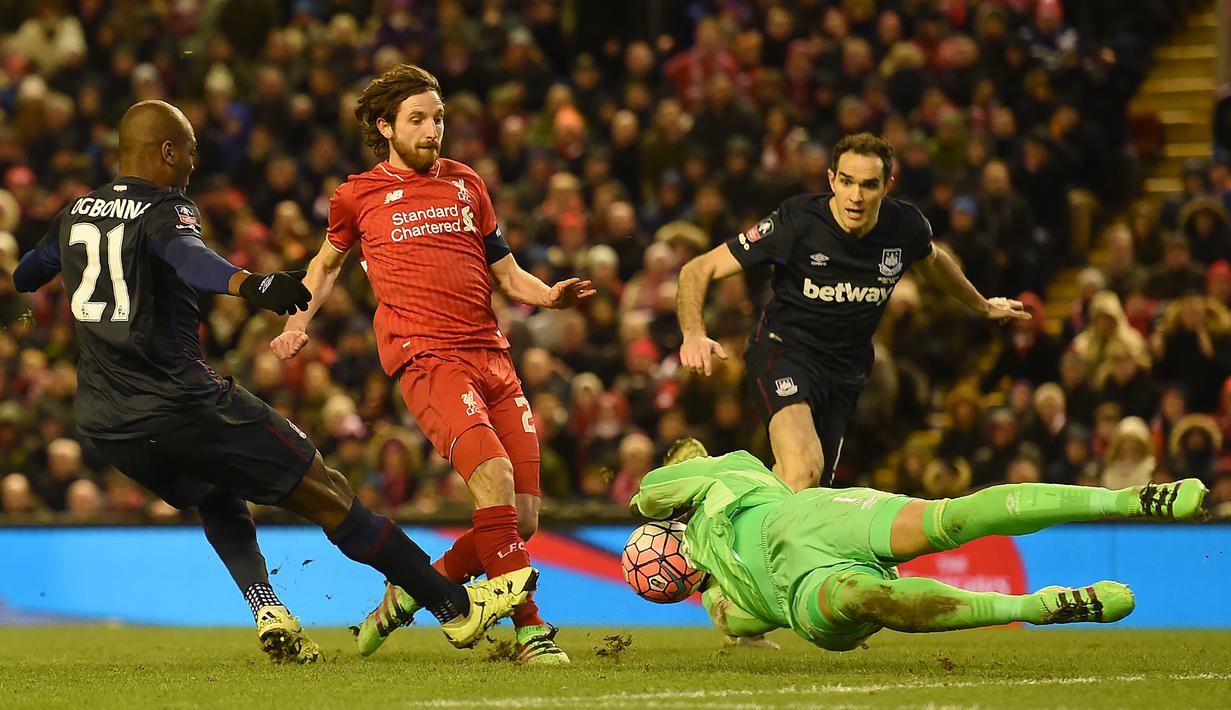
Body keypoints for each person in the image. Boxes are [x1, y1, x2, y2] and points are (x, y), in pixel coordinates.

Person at [12, 99, 535, 663]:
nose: (193, 163)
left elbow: (26, 274)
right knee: (329, 491)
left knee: (216, 491)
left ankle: (267, 607)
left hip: (106, 423)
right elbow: (188, 259)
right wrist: (252, 285)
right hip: (184, 402)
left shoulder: (75, 212)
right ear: (167, 152)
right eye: (189, 152)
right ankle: (453, 606)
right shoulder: (166, 208)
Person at [270, 64, 593, 665]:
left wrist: (548, 295)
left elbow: (505, 269)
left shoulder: (467, 184)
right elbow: (324, 267)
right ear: (385, 126)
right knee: (491, 481)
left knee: (520, 519)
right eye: (417, 119)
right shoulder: (357, 196)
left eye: (438, 118)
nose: (432, 129)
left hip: (492, 355)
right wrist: (296, 324)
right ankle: (532, 633)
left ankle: (409, 592)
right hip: (428, 358)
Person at [676, 132, 1030, 491]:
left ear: (887, 186)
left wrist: (982, 305)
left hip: (845, 369)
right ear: (832, 179)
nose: (856, 196)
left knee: (809, 491)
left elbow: (934, 261)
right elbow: (698, 268)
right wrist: (693, 332)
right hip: (784, 351)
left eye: (868, 185)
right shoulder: (796, 223)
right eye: (846, 182)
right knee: (804, 470)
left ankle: (729, 496)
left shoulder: (904, 227)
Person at [631, 438, 1208, 651]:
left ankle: (1130, 499)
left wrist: (659, 524)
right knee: (867, 597)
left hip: (803, 520)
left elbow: (647, 495)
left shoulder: (725, 471)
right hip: (794, 591)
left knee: (950, 518)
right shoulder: (716, 596)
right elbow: (739, 625)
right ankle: (1035, 607)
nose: (690, 463)